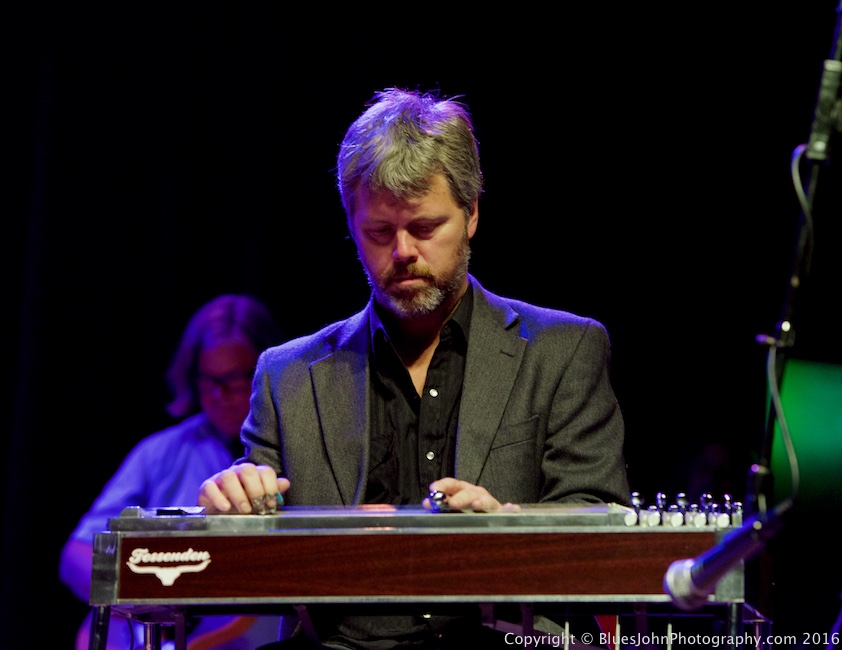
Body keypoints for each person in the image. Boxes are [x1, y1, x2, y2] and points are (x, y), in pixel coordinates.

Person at [198, 88, 631, 649]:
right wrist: (231, 506)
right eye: (379, 232)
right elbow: (250, 545)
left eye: (425, 228)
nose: (402, 252)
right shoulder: (287, 376)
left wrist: (507, 524)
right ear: (351, 225)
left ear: (472, 213)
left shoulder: (563, 349)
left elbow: (601, 522)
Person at [60, 293, 288, 650]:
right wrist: (146, 598)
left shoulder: (294, 449)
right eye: (208, 380)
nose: (220, 395)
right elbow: (77, 552)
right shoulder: (161, 452)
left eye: (235, 379)